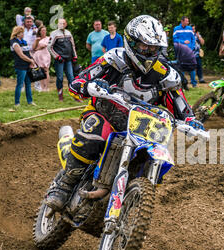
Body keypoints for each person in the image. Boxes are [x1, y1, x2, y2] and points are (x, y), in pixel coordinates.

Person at [46, 15, 204, 211]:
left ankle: (132, 200)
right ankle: (64, 185)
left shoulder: (164, 74)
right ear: (131, 42)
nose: (148, 52)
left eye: (153, 48)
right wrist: (90, 86)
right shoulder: (114, 59)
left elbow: (179, 102)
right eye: (144, 47)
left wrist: (190, 120)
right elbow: (78, 82)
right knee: (96, 133)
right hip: (104, 115)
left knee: (153, 156)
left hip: (139, 128)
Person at [48, 18, 78, 101]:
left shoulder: (69, 33)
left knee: (71, 78)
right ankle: (60, 95)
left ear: (66, 24)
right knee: (60, 78)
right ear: (58, 24)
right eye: (60, 23)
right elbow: (49, 47)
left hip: (69, 59)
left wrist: (75, 56)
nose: (61, 25)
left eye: (63, 23)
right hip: (59, 60)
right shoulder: (54, 34)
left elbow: (73, 45)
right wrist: (57, 56)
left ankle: (74, 96)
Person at [10, 26, 36, 107]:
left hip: (27, 65)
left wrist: (32, 60)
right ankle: (17, 103)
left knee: (28, 84)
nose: (23, 34)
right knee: (20, 84)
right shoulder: (14, 43)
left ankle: (30, 101)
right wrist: (31, 60)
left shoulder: (24, 41)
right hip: (20, 66)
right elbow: (21, 55)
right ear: (17, 34)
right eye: (21, 32)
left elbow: (28, 53)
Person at [33, 25, 51, 91]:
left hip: (45, 55)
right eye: (42, 30)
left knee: (46, 71)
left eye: (45, 30)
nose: (44, 32)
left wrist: (37, 48)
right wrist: (37, 47)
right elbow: (34, 47)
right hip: (38, 56)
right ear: (39, 31)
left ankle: (46, 87)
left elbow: (44, 45)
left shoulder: (48, 38)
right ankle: (42, 87)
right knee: (40, 72)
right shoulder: (37, 38)